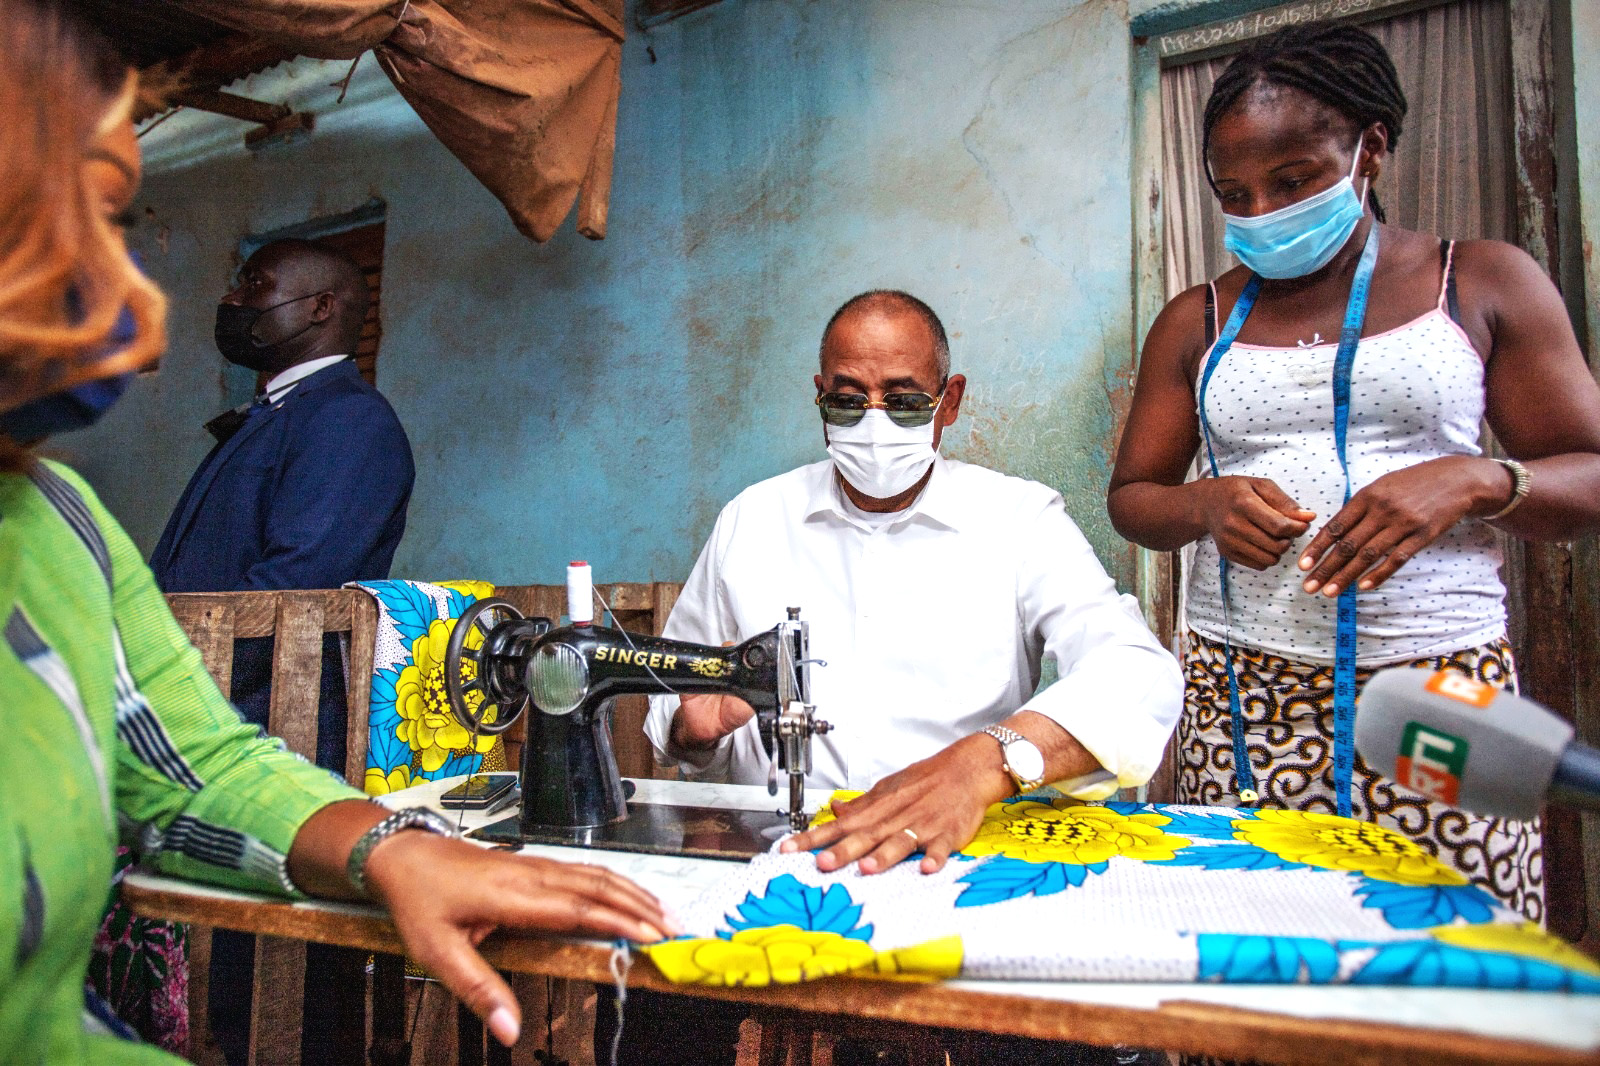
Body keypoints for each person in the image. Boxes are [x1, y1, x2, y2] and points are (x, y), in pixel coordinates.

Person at [0, 6, 675, 1064]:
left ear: (323, 311)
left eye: (116, 231)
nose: (145, 304)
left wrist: (389, 846)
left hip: (271, 711)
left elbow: (195, 748)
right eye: (68, 222)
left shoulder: (61, 522)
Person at [604, 290, 1182, 1066]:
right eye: (849, 401)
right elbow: (671, 710)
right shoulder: (754, 520)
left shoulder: (1017, 521)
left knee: (1052, 1030)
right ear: (819, 400)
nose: (875, 423)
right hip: (783, 855)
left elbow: (1135, 671)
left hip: (959, 856)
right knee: (652, 992)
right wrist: (690, 728)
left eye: (905, 401)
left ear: (951, 403)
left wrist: (991, 762)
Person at [1106, 25, 1600, 921]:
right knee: (1254, 958)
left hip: (1438, 695)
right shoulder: (1197, 318)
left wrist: (1478, 480)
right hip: (1243, 690)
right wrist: (1206, 505)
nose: (1262, 211)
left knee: (1449, 971)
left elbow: (1591, 478)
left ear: (1370, 146)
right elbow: (1134, 500)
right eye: (1234, 194)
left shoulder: (1480, 282)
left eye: (1292, 181)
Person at [146, 236, 415, 1059]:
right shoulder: (271, 418)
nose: (236, 297)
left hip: (267, 727)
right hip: (211, 722)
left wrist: (168, 690)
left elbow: (294, 586)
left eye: (255, 283)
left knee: (268, 992)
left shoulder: (350, 422)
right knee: (209, 977)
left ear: (322, 307)